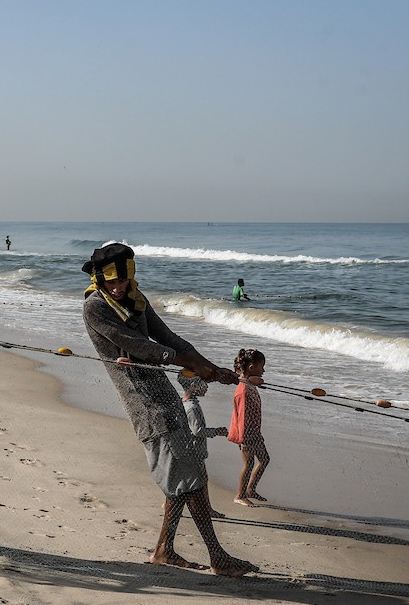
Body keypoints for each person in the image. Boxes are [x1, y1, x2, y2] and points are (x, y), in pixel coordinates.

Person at [81, 242, 256, 577]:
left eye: (122, 282)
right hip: (146, 405)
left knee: (186, 475)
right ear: (100, 280)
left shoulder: (136, 299)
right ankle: (218, 557)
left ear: (131, 277)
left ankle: (164, 550)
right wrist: (192, 365)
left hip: (164, 394)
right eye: (111, 283)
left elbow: (171, 339)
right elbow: (142, 347)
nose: (117, 288)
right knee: (189, 479)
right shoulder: (94, 307)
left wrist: (212, 368)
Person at [180, 376, 227, 519]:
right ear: (193, 385)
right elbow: (198, 431)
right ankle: (206, 509)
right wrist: (217, 431)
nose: (206, 387)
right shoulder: (192, 407)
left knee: (185, 481)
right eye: (204, 384)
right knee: (199, 481)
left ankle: (205, 508)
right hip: (195, 451)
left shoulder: (184, 403)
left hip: (187, 449)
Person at [229, 348, 269, 507]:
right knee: (249, 464)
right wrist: (245, 440)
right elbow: (243, 419)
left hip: (255, 433)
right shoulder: (243, 391)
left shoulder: (246, 383)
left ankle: (251, 489)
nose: (264, 370)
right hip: (246, 435)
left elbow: (251, 381)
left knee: (265, 459)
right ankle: (239, 495)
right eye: (262, 367)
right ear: (252, 368)